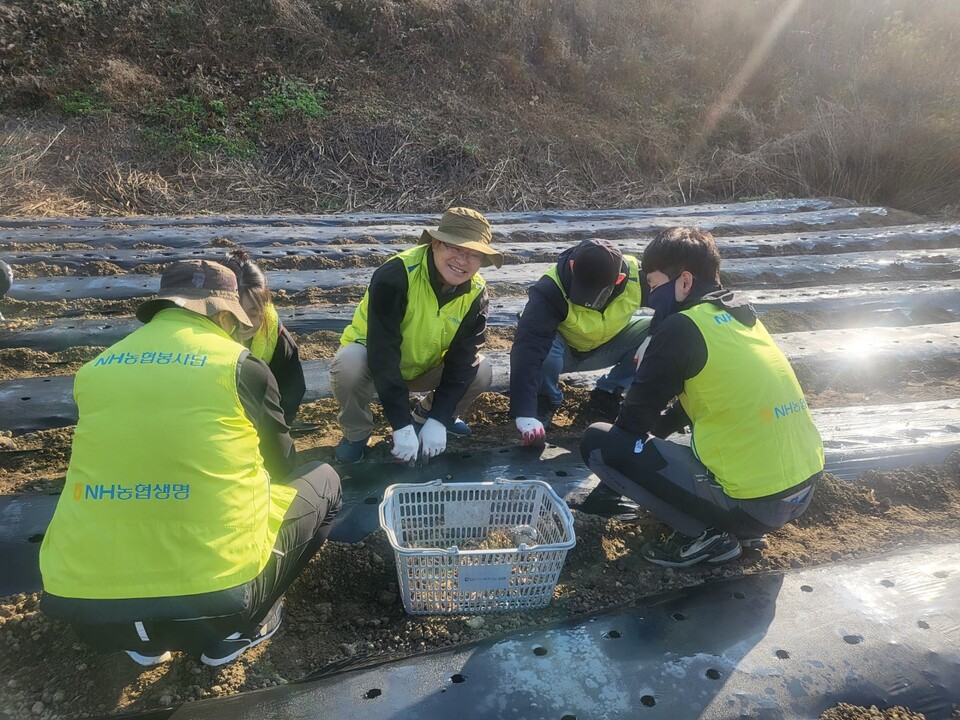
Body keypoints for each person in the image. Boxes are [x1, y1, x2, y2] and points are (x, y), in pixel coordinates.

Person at [39, 260, 342, 667]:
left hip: (86, 609)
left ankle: (144, 643)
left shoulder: (96, 369)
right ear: (221, 314)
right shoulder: (239, 365)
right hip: (216, 602)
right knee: (324, 481)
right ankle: (240, 630)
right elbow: (281, 465)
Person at [579, 227, 824, 568]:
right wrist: (656, 433)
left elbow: (632, 422)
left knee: (598, 442)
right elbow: (702, 399)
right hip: (802, 491)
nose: (651, 299)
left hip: (751, 504)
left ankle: (705, 536)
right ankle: (742, 526)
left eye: (653, 286)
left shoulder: (681, 327)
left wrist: (616, 479)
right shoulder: (741, 315)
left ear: (684, 282)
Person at [331, 207, 502, 464]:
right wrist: (401, 425)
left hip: (426, 365)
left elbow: (463, 357)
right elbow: (383, 352)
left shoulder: (476, 292)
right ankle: (356, 433)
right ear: (435, 244)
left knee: (481, 370)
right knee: (348, 365)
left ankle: (425, 414)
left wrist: (439, 418)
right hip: (376, 362)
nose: (463, 260)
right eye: (455, 248)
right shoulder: (396, 276)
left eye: (474, 254)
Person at [509, 238, 649, 445]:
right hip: (561, 351)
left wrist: (653, 337)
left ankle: (609, 393)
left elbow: (673, 302)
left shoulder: (639, 278)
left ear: (619, 279)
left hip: (607, 345)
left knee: (659, 330)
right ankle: (546, 397)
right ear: (573, 267)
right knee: (543, 351)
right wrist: (524, 411)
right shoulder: (550, 287)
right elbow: (527, 347)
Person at [224, 249, 306, 425]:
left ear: (265, 307)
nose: (244, 324)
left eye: (253, 314)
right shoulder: (197, 336)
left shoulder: (278, 340)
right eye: (234, 315)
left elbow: (290, 394)